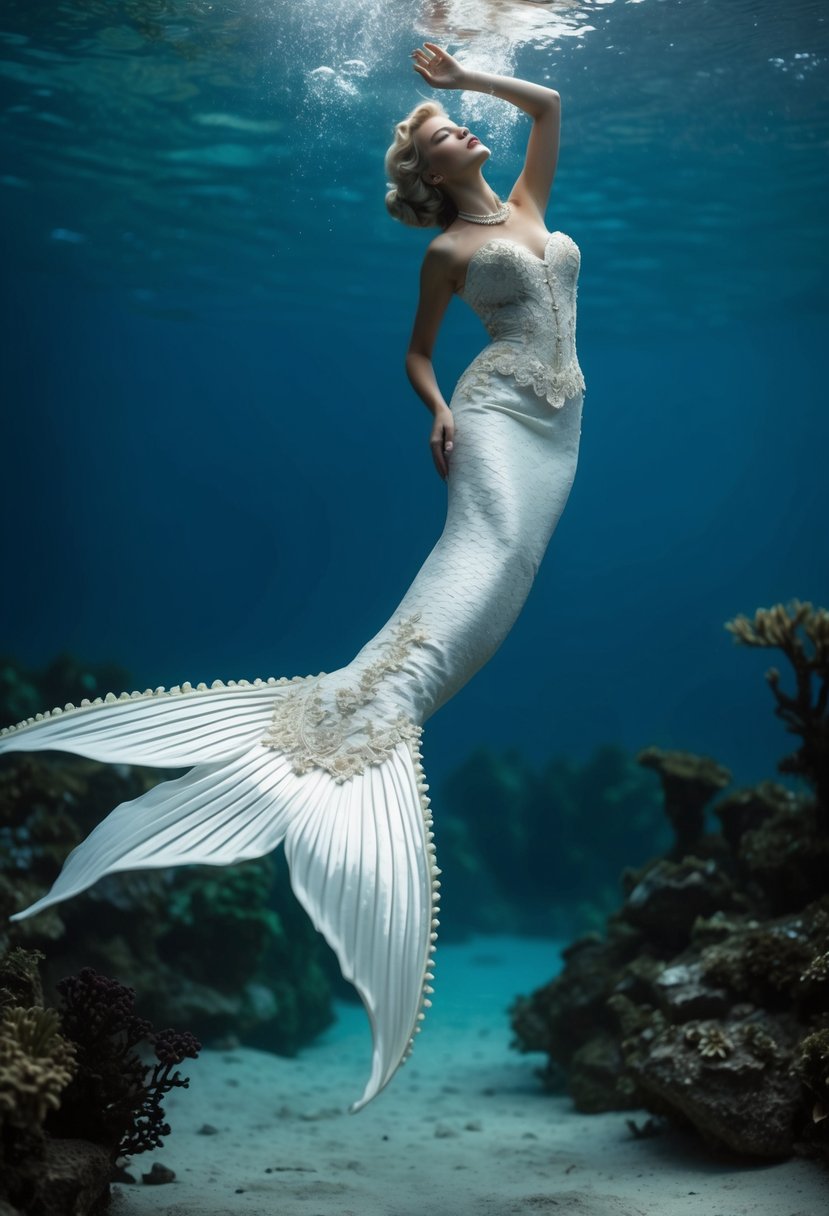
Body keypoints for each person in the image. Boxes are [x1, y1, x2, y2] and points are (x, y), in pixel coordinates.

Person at [0, 42, 585, 1114]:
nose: (456, 131)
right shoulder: (451, 248)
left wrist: (463, 83)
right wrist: (443, 410)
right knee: (487, 551)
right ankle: (374, 712)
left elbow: (545, 101)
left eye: (450, 123)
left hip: (563, 429)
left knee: (518, 568)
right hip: (498, 413)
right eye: (438, 132)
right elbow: (415, 352)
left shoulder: (529, 200)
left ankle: (355, 718)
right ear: (427, 172)